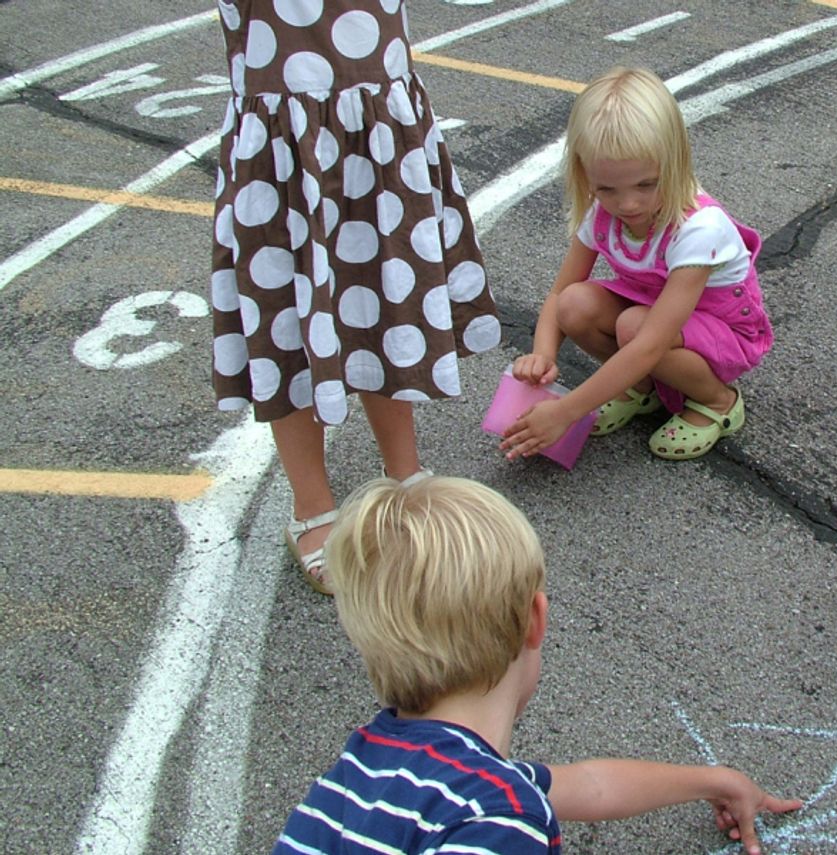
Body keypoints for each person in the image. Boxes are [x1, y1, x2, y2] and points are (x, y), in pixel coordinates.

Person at [272, 475, 801, 854]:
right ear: (534, 620)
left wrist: (714, 781)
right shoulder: (500, 821)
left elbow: (588, 785)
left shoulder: (371, 763)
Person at [209, 1, 499, 594]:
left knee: (386, 298)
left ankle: (405, 475)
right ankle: (311, 503)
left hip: (379, 126)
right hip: (280, 134)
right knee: (284, 310)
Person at [501, 67, 773, 462]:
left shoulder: (698, 227)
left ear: (675, 161)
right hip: (655, 320)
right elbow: (560, 292)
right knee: (574, 305)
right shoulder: (601, 212)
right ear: (585, 173)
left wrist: (565, 410)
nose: (628, 204)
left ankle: (717, 401)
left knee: (634, 327)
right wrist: (544, 354)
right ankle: (644, 387)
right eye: (607, 188)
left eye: (646, 184)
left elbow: (650, 342)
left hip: (724, 332)